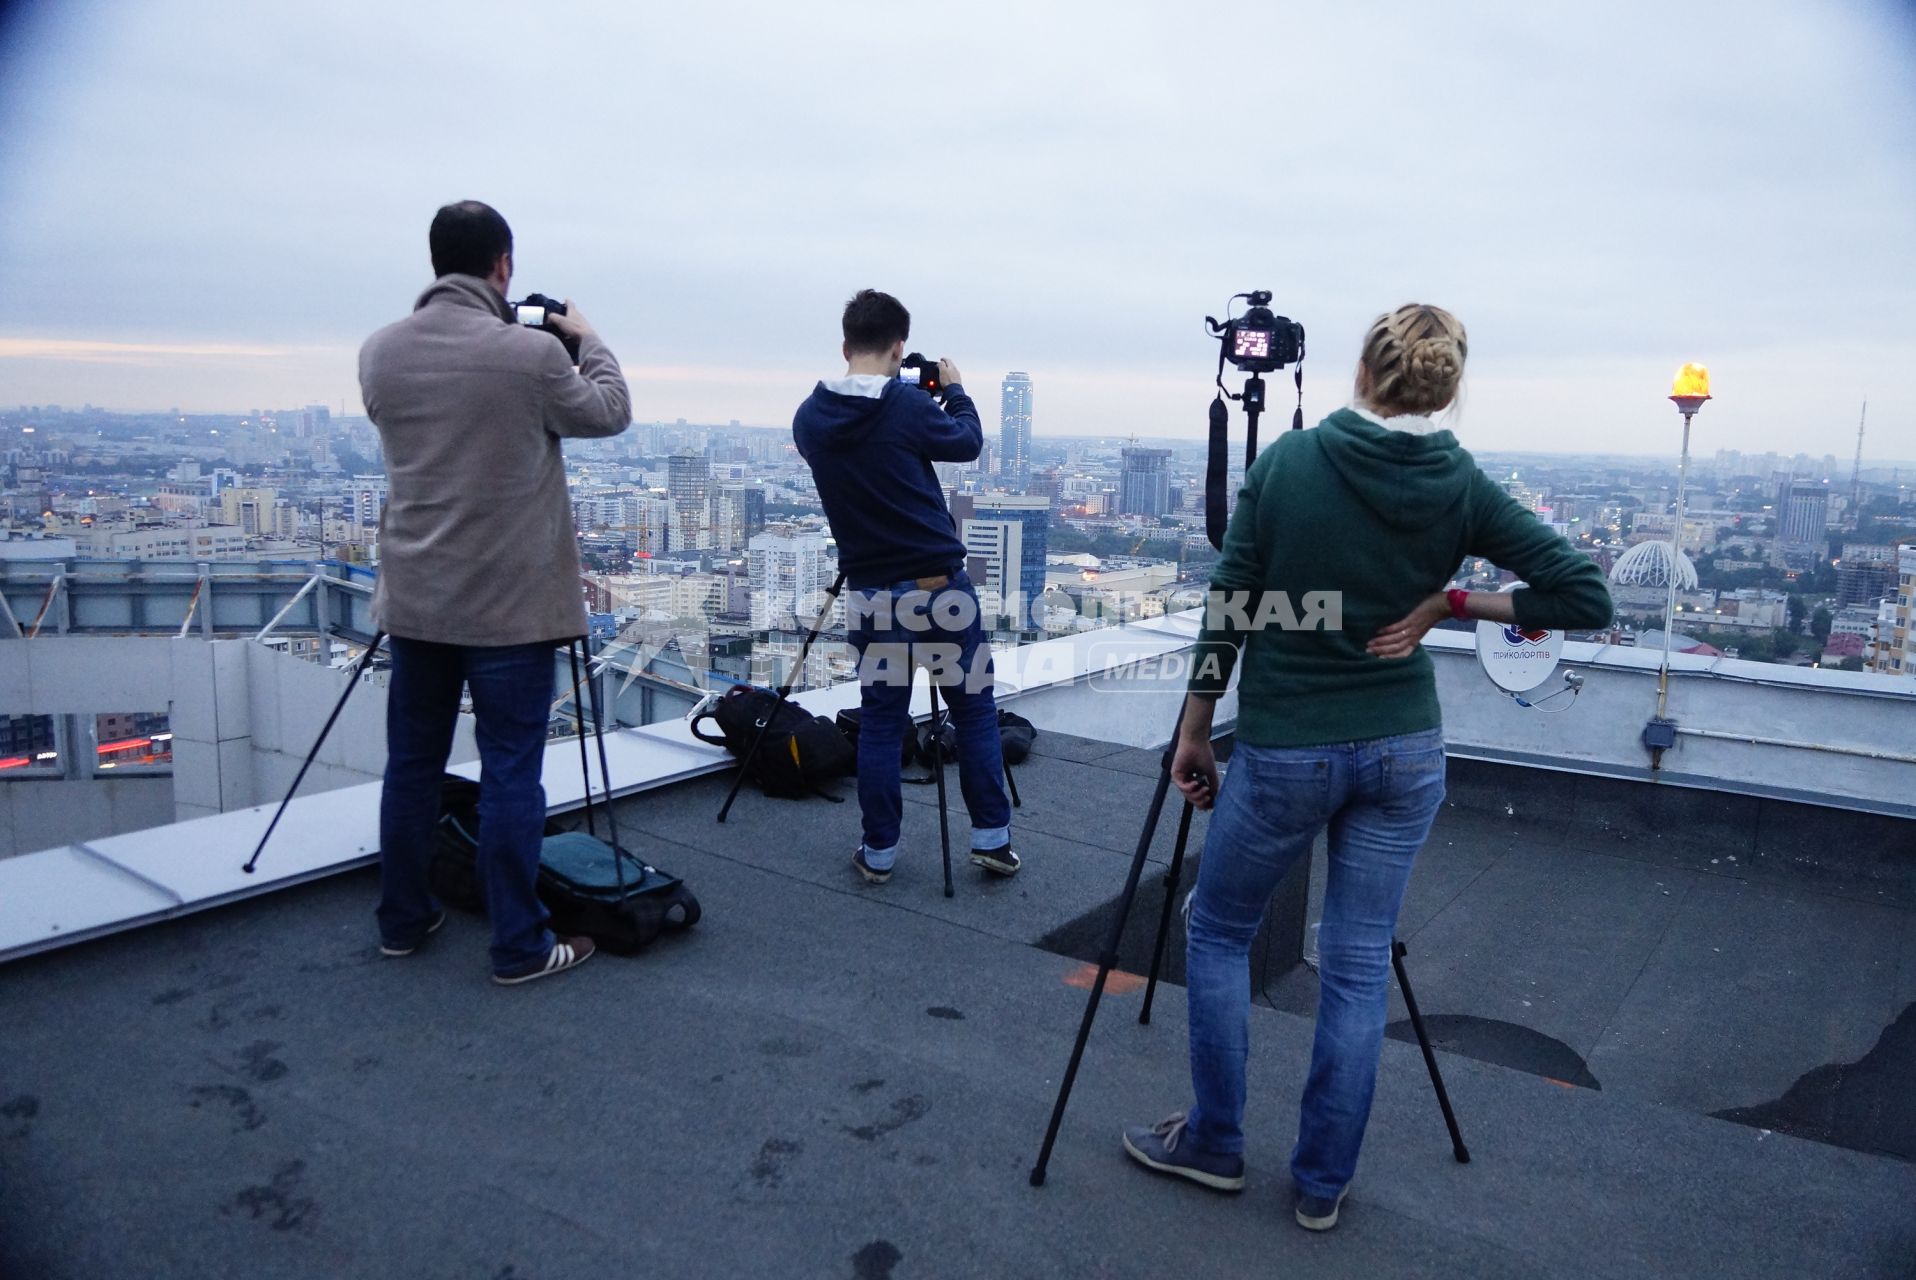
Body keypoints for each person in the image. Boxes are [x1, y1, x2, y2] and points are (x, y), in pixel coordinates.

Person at [1120, 304, 1613, 1229]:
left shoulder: (1289, 464)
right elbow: (1583, 595)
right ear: (1449, 388)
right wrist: (1448, 602)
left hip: (1290, 747)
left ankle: (1216, 1144)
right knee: (1354, 965)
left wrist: (1195, 728)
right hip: (1403, 750)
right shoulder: (1459, 481)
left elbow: (1230, 604)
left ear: (1361, 371)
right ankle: (1319, 1184)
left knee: (1220, 928)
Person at [358, 200, 631, 985]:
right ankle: (518, 945)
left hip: (416, 599)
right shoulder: (530, 357)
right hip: (511, 608)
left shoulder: (379, 354)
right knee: (512, 767)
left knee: (412, 765)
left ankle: (402, 921)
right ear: (502, 266)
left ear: (436, 261)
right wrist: (585, 338)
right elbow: (610, 412)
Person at [791, 289, 1018, 885]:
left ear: (845, 346)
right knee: (973, 715)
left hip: (871, 592)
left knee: (882, 724)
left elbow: (871, 450)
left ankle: (880, 853)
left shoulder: (809, 418)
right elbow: (965, 443)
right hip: (939, 588)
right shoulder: (908, 408)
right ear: (899, 347)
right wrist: (954, 391)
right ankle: (992, 839)